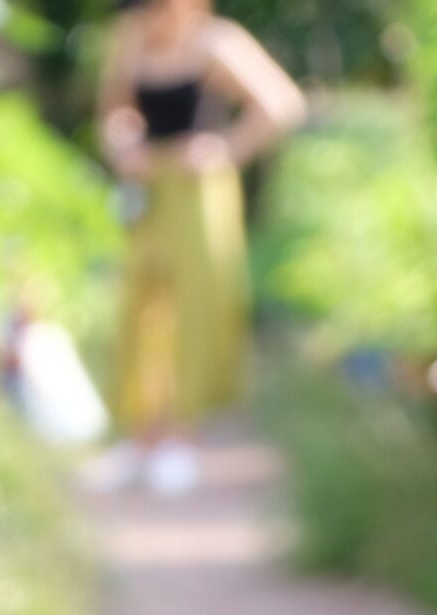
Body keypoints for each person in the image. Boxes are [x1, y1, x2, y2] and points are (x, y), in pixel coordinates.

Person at [96, 0, 305, 495]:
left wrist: (226, 148)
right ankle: (140, 436)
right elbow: (114, 111)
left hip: (198, 193)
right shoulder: (130, 38)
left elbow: (281, 105)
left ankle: (182, 438)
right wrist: (123, 146)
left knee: (195, 310)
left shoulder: (216, 40)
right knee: (139, 311)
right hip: (149, 191)